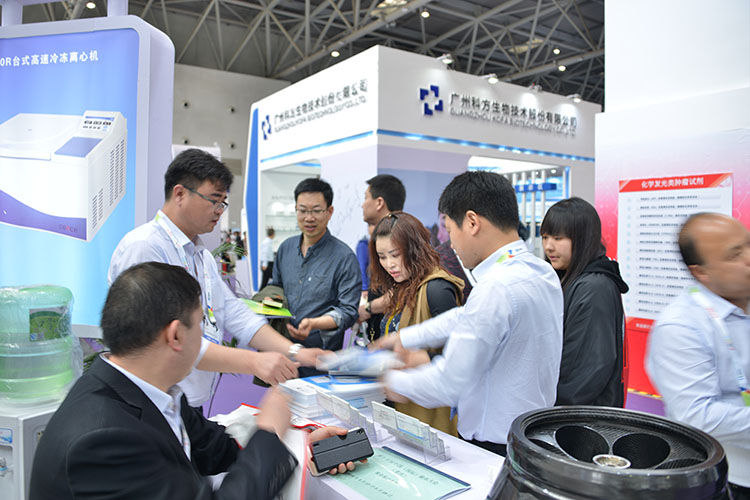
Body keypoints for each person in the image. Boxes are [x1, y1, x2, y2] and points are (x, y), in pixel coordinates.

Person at [30, 262, 359, 500]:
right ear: (175, 335)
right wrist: (270, 430)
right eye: (201, 325)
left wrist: (297, 441)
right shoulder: (105, 440)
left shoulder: (152, 393)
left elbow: (216, 448)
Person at [108, 149, 322, 408]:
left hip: (187, 400)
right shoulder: (146, 247)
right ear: (180, 194)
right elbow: (167, 339)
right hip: (153, 401)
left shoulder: (201, 256)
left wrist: (296, 352)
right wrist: (254, 362)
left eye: (223, 203)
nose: (219, 210)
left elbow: (234, 313)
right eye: (213, 200)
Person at [375, 171, 563, 456]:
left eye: (451, 230)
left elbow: (449, 382)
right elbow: (465, 317)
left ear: (472, 222)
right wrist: (405, 338)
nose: (451, 244)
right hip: (532, 435)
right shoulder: (539, 271)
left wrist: (386, 380)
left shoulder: (496, 287)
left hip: (495, 446)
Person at [646, 213, 750, 495]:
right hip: (729, 480)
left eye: (748, 244)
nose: (748, 258)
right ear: (701, 272)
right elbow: (698, 415)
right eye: (734, 255)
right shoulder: (681, 325)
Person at [369, 211, 464, 435]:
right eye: (382, 257)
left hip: (431, 414)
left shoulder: (437, 289)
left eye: (395, 255)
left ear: (415, 249)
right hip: (402, 407)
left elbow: (461, 357)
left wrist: (414, 359)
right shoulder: (402, 287)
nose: (390, 264)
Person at [540, 197, 629, 407]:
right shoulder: (570, 278)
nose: (549, 247)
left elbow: (587, 370)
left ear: (583, 239)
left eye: (558, 238)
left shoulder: (593, 288)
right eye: (545, 237)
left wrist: (549, 405)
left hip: (581, 416)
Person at [271, 178, 361, 373]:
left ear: (329, 212)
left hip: (321, 359)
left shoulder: (344, 257)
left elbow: (348, 311)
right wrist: (269, 301)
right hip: (283, 352)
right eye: (303, 210)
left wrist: (314, 324)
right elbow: (276, 287)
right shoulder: (285, 248)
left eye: (316, 211)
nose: (309, 218)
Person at [359, 174, 407, 341]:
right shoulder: (379, 236)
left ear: (379, 202)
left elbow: (405, 290)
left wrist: (368, 308)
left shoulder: (401, 236)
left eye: (366, 198)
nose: (362, 204)